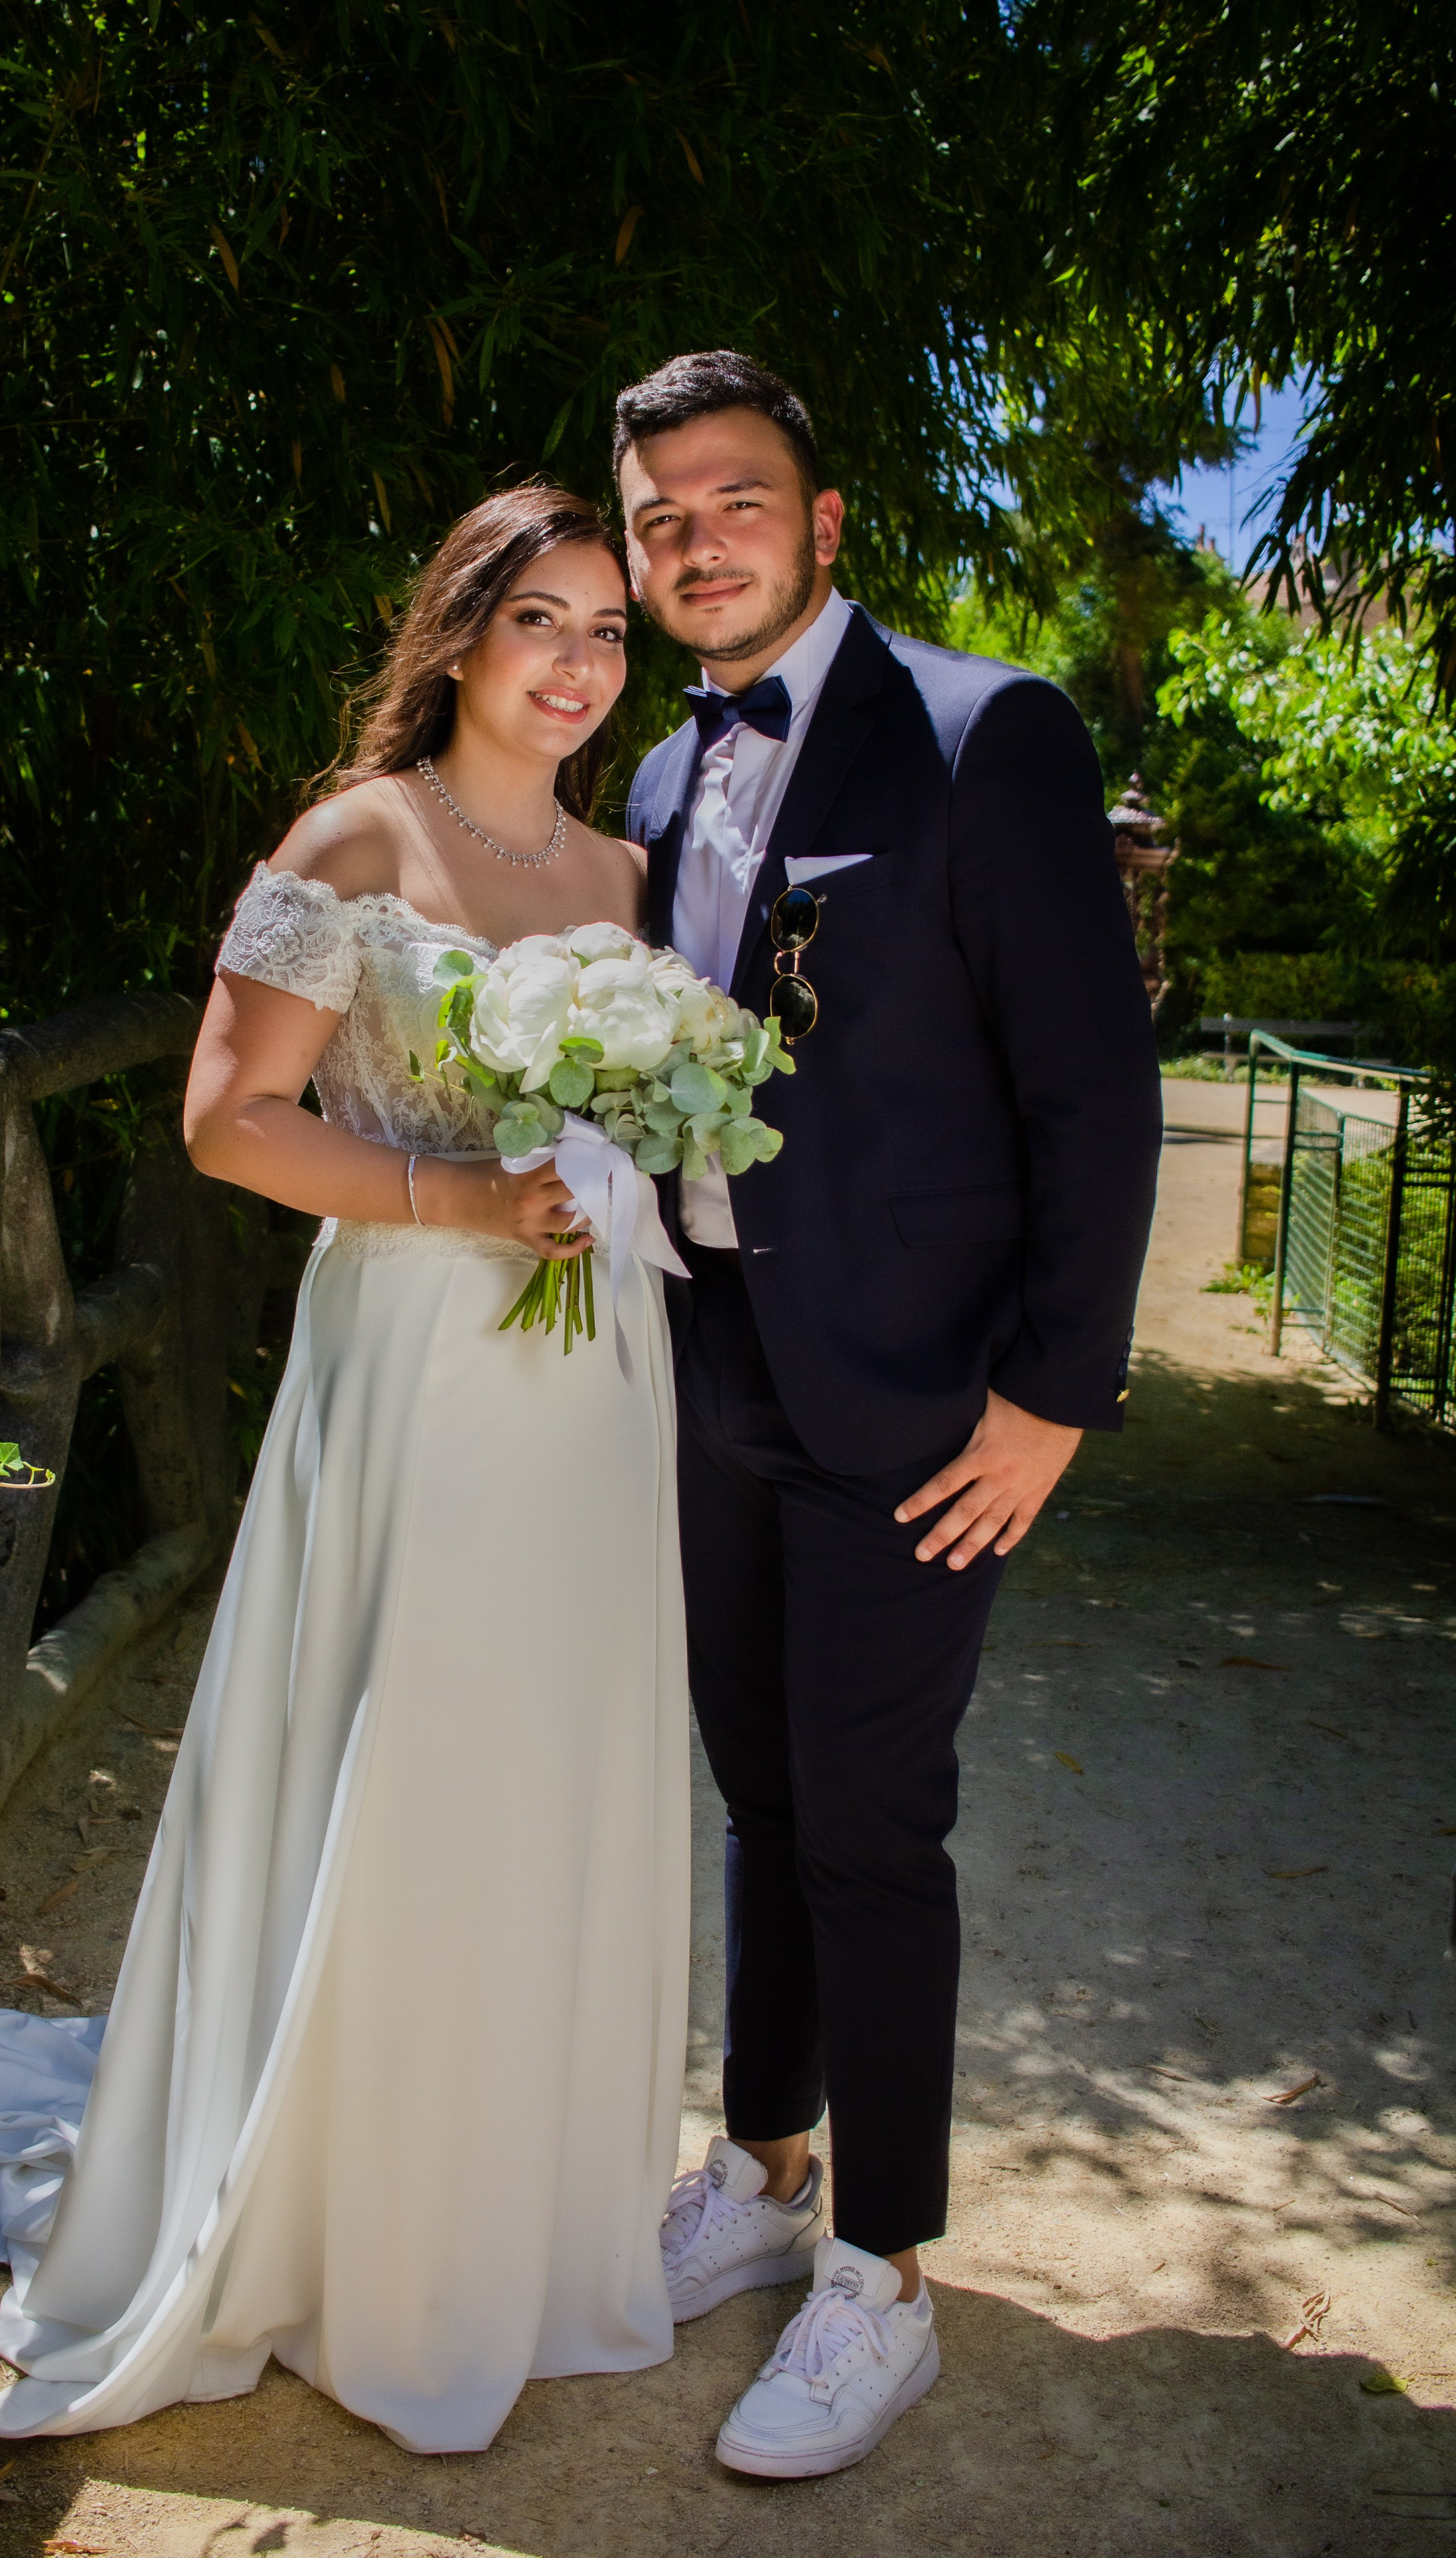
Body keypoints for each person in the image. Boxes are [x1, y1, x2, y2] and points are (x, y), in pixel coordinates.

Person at [0, 486, 691, 2456]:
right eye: (544, 618)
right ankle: (332, 2213)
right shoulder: (355, 841)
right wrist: (463, 1196)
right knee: (407, 1747)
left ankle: (504, 2214)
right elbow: (224, 1122)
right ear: (459, 633)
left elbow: (631, 1118)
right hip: (418, 1359)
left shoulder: (619, 871)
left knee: (548, 1760)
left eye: (611, 632)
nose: (581, 664)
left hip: (594, 1376)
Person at [618, 352, 1162, 2479]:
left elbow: (1094, 1092)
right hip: (709, 1362)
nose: (695, 544)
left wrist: (1055, 1398)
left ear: (825, 522)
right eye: (660, 518)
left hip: (927, 1400)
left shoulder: (983, 728)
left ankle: (887, 2274)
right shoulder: (660, 784)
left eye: (733, 500)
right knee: (757, 1789)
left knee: (870, 1817)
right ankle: (760, 2178)